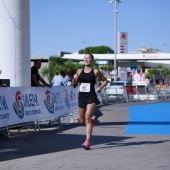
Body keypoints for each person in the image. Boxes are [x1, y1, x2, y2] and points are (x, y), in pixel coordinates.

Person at [72, 53, 108, 150]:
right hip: (82, 97)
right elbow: (74, 85)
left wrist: (100, 87)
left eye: (88, 58)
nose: (86, 59)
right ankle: (92, 121)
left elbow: (105, 80)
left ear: (92, 60)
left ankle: (87, 142)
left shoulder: (95, 71)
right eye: (85, 58)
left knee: (87, 119)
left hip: (91, 96)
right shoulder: (79, 71)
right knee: (83, 120)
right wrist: (74, 78)